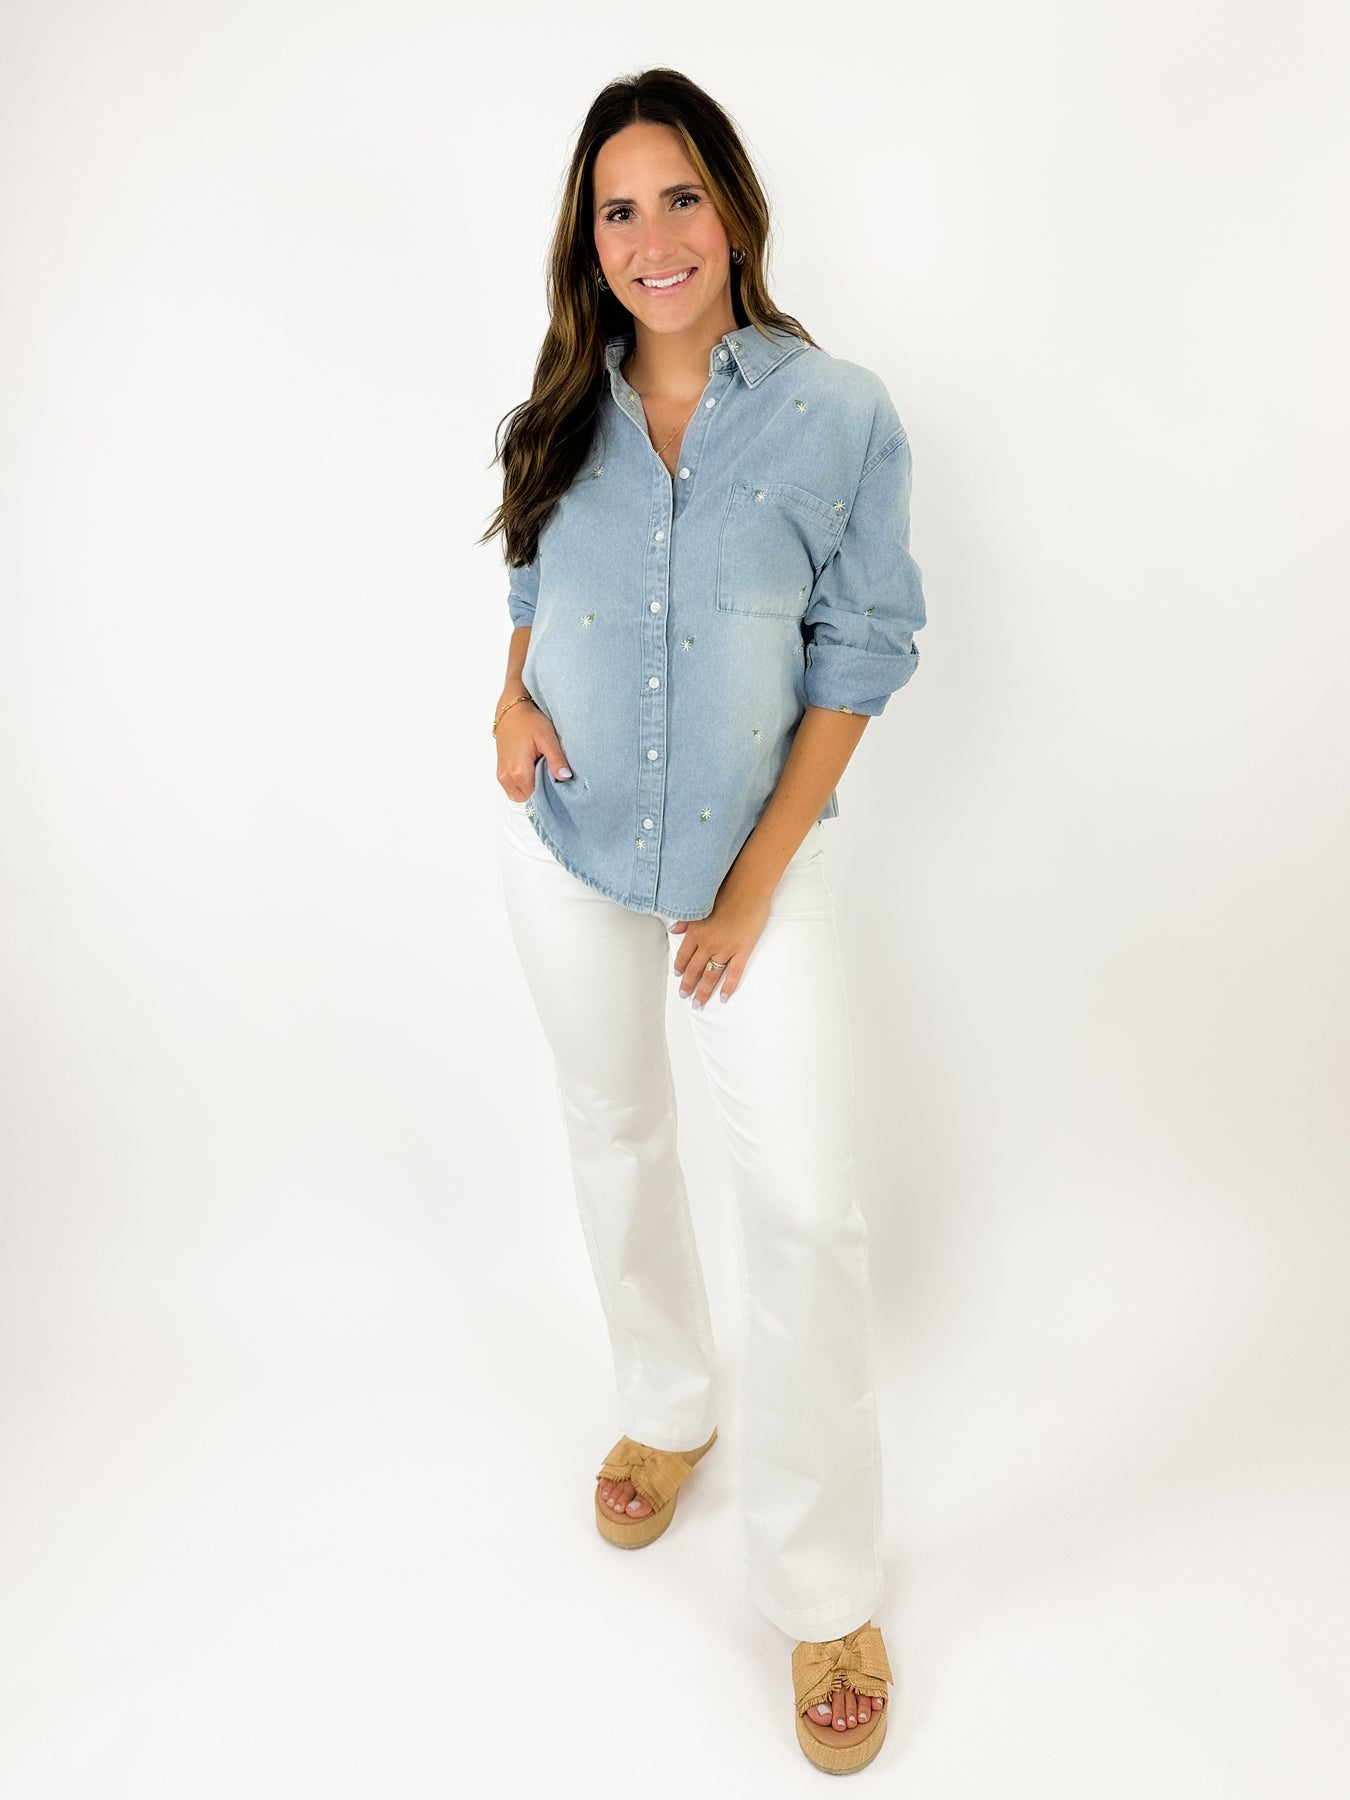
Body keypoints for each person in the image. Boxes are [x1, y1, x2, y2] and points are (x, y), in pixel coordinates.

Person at [480, 67, 926, 1775]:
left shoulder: (838, 415)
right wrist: (507, 702)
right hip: (567, 847)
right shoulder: (556, 411)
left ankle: (824, 1591)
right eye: (617, 209)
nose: (650, 236)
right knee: (612, 1130)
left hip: (761, 875)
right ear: (585, 243)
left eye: (678, 197)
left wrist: (746, 893)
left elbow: (859, 655)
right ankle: (667, 1408)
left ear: (732, 211)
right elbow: (532, 581)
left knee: (804, 1212)